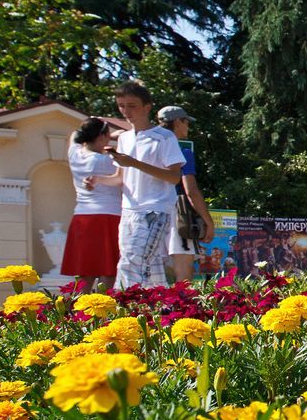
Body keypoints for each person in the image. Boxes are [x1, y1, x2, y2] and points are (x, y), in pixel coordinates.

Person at [108, 81, 185, 289]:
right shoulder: (124, 138)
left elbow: (174, 177)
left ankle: (122, 304)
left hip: (155, 208)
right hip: (129, 210)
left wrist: (133, 163)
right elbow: (121, 178)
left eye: (132, 105)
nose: (125, 111)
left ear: (147, 107)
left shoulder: (164, 137)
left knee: (131, 260)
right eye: (121, 105)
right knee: (149, 263)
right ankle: (164, 307)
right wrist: (94, 180)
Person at [60, 117, 122, 291]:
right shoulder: (106, 160)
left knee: (85, 270)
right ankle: (103, 306)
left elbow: (74, 135)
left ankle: (81, 312)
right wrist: (117, 137)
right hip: (109, 215)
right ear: (102, 137)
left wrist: (107, 135)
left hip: (82, 217)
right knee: (109, 270)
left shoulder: (75, 154)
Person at [158, 105, 215, 283]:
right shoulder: (182, 152)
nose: (188, 127)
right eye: (186, 123)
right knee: (183, 279)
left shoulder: (149, 150)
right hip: (176, 215)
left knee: (152, 277)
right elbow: (191, 191)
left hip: (149, 214)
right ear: (177, 122)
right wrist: (208, 221)